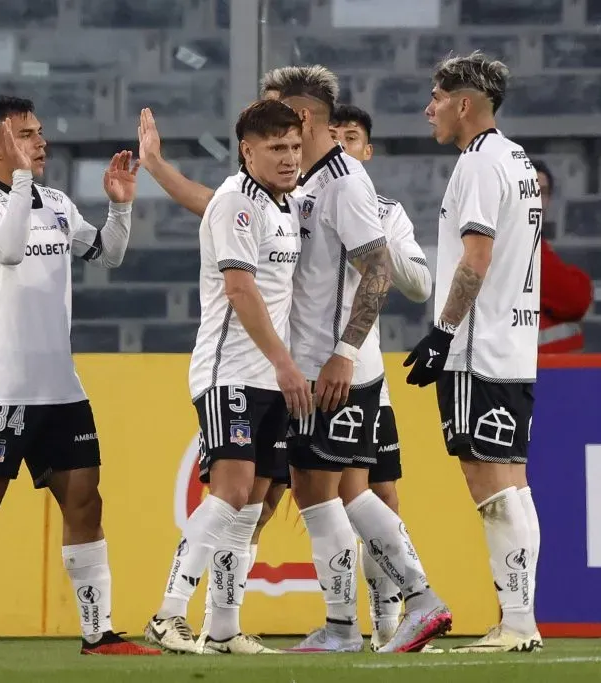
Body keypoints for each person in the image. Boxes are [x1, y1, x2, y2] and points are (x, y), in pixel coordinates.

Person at [140, 67, 450, 655]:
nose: (280, 134)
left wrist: (341, 354)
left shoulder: (344, 182)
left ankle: (403, 602)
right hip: (296, 370)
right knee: (324, 493)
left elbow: (379, 272)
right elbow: (226, 212)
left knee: (326, 495)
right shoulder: (298, 186)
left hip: (327, 368)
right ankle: (260, 626)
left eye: (283, 121)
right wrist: (158, 170)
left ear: (303, 119)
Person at [0, 95, 158, 657]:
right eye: (27, 134)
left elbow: (107, 255)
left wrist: (119, 208)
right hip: (2, 386)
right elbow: (5, 250)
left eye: (39, 132)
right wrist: (23, 183)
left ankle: (98, 634)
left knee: (86, 503)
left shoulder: (56, 202)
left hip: (61, 388)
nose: (41, 142)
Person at [144, 99, 311, 655]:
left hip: (269, 377)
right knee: (232, 491)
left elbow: (201, 200)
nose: (289, 158)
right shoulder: (239, 202)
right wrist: (287, 364)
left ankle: (223, 625)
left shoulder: (281, 203)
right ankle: (168, 614)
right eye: (276, 148)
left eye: (293, 146)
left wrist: (158, 167)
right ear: (247, 150)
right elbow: (240, 291)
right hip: (231, 373)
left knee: (257, 501)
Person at [405, 51, 542, 653]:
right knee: (513, 485)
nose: (428, 108)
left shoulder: (480, 165)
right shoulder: (517, 160)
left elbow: (476, 258)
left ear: (464, 104)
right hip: (514, 345)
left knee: (488, 485)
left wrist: (442, 334)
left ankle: (516, 623)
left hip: (477, 347)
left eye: (436, 96)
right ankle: (521, 619)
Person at [328, 104, 437, 652]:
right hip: (309, 370)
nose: (345, 145)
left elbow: (419, 285)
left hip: (365, 372)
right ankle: (336, 621)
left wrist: (371, 231)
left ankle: (388, 623)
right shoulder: (305, 202)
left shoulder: (388, 211)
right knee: (292, 494)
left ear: (367, 152)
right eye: (337, 136)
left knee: (381, 493)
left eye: (354, 139)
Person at [531, 159, 592, 353]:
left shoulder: (536, 243)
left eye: (543, 193)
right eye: (529, 192)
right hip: (534, 373)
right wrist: (578, 277)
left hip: (549, 371)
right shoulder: (519, 244)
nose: (537, 201)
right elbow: (575, 299)